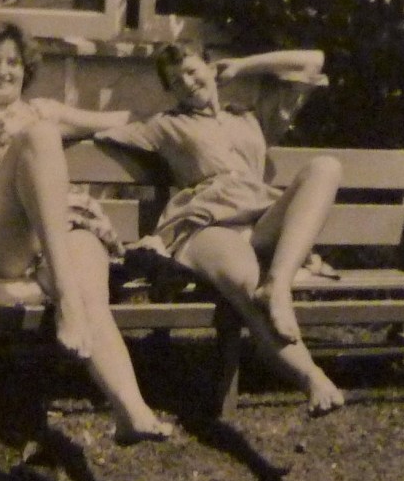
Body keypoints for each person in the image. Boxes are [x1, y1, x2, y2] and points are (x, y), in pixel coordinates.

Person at [0, 17, 173, 443]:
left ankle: (132, 410)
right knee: (39, 137)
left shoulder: (46, 110)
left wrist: (182, 106)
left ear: (26, 70)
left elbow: (121, 118)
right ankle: (65, 298)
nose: (4, 71)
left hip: (63, 218)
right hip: (2, 230)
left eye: (13, 62)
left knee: (92, 296)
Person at [95, 42, 346, 416]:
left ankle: (277, 285)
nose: (187, 83)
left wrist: (243, 64)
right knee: (245, 286)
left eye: (192, 71)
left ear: (210, 69)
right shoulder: (163, 125)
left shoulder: (249, 116)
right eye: (175, 82)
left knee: (326, 168)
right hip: (208, 225)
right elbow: (101, 127)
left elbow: (314, 60)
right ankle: (312, 377)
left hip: (260, 219)